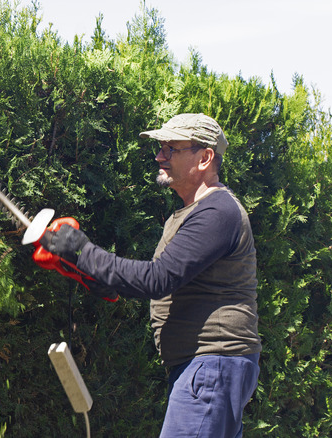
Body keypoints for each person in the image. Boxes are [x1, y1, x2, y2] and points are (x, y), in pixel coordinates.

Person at [40, 113, 261, 437]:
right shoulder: (189, 214)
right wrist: (96, 276)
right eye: (160, 148)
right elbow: (162, 280)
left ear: (205, 157)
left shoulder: (217, 212)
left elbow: (157, 279)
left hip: (212, 364)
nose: (159, 156)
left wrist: (82, 251)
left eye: (171, 148)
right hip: (207, 366)